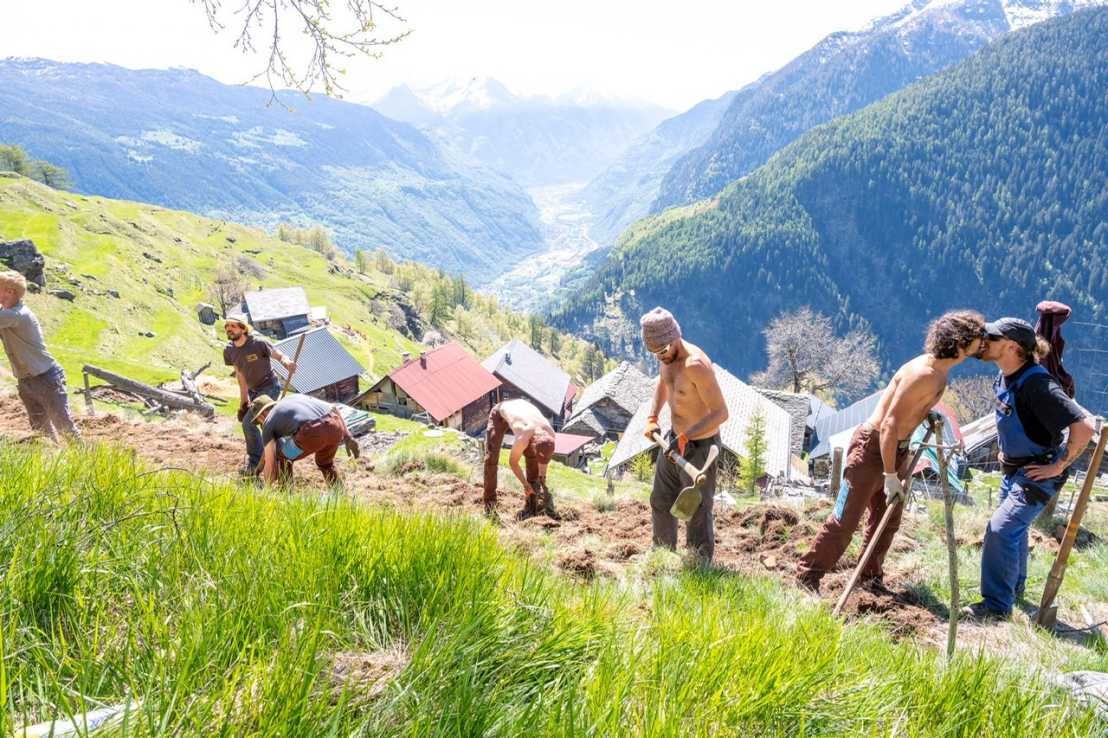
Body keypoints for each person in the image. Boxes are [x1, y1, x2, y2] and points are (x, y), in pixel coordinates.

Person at [795, 310, 986, 593]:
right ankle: (807, 577)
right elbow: (888, 425)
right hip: (872, 449)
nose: (981, 343)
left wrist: (925, 417)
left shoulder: (938, 372)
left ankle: (869, 579)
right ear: (960, 343)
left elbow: (907, 415)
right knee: (845, 521)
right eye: (977, 338)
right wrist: (889, 475)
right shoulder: (923, 374)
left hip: (897, 450)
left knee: (887, 522)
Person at [962, 317, 1094, 621]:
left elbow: (1084, 428)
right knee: (1015, 532)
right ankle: (1014, 588)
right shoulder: (1005, 376)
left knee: (1000, 529)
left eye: (991, 338)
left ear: (1011, 346)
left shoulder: (1038, 383)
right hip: (1014, 471)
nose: (984, 343)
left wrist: (1060, 464)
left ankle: (996, 606)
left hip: (1036, 476)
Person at [640, 307, 728, 564]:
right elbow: (663, 384)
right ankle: (663, 556)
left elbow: (721, 413)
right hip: (673, 440)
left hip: (701, 447)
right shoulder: (666, 358)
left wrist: (687, 436)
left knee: (697, 510)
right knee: (660, 499)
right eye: (653, 353)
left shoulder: (696, 365)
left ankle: (698, 564)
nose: (659, 357)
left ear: (675, 337)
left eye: (663, 351)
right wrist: (652, 417)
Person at [0, 270, 80, 441]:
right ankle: (53, 462)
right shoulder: (7, 314)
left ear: (9, 291)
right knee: (40, 430)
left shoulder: (17, 315)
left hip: (46, 379)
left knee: (65, 427)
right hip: (26, 380)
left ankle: (86, 463)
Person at [223, 317, 296, 474]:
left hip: (269, 387)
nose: (229, 329)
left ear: (243, 329)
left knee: (249, 423)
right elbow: (240, 376)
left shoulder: (258, 343)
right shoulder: (229, 351)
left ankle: (255, 462)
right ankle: (283, 454)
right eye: (227, 326)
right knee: (265, 424)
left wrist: (287, 362)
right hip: (253, 392)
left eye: (233, 326)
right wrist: (243, 402)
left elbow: (279, 355)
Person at [247, 394, 359, 486]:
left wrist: (266, 488)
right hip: (335, 425)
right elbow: (333, 408)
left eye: (258, 422)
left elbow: (271, 464)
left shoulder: (268, 422)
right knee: (325, 463)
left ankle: (285, 496)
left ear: (261, 416)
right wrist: (348, 437)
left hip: (313, 432)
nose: (260, 424)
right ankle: (338, 496)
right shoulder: (291, 400)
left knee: (282, 457)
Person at [482, 398, 558, 520]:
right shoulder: (524, 435)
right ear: (534, 443)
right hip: (501, 412)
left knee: (533, 460)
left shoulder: (551, 434)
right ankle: (489, 505)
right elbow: (513, 463)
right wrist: (525, 485)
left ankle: (531, 505)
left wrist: (542, 480)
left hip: (523, 409)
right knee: (491, 458)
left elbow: (543, 462)